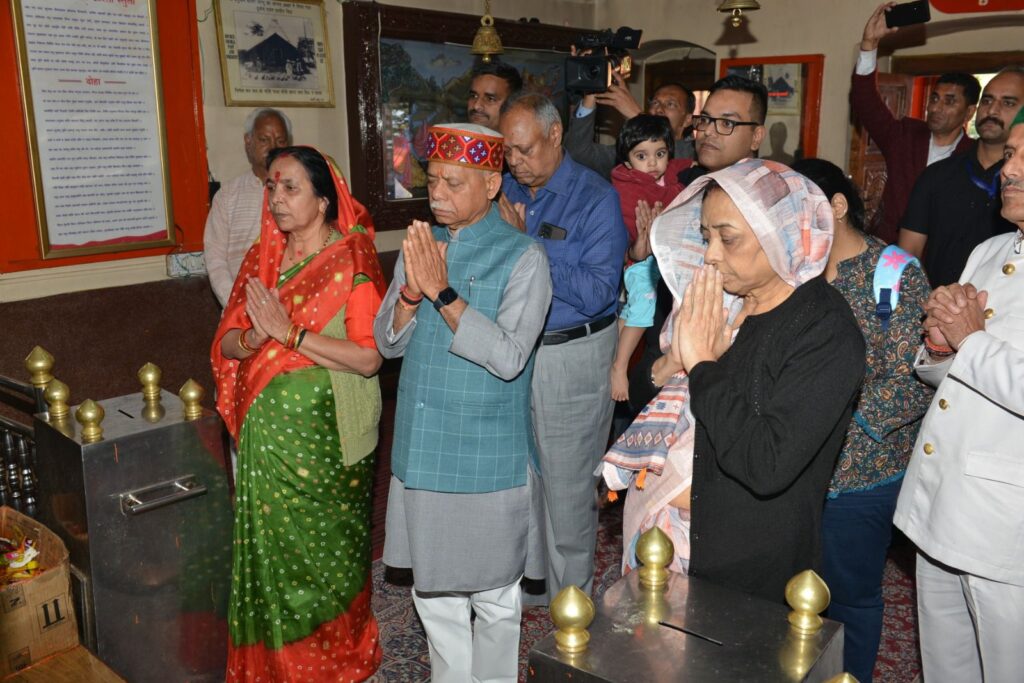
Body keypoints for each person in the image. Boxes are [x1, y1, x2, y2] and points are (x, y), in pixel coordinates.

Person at [374, 123, 551, 683]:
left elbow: (509, 357)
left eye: (454, 183)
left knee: (495, 599)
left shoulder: (524, 257)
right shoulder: (422, 245)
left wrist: (443, 294)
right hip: (424, 449)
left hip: (487, 456)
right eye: (432, 181)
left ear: (492, 185)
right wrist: (410, 291)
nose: (438, 194)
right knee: (435, 597)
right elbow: (386, 344)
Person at [653, 158, 866, 602]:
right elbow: (647, 395)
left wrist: (702, 364)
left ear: (779, 233)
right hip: (670, 543)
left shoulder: (825, 331)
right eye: (706, 237)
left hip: (749, 565)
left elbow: (767, 463)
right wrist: (672, 361)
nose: (711, 255)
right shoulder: (722, 298)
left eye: (727, 238)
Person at [211, 146, 384, 681]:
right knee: (274, 555)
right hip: (266, 446)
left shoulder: (351, 259)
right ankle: (277, 664)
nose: (277, 198)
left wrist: (289, 334)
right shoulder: (259, 259)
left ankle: (335, 659)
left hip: (330, 445)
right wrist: (253, 338)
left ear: (324, 199)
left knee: (327, 556)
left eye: (291, 188)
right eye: (272, 187)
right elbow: (227, 343)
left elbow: (368, 357)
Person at [892, 108, 1024, 683]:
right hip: (943, 497)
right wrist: (941, 349)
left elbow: (981, 350)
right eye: (1010, 155)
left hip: (1006, 523)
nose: (1008, 170)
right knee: (946, 666)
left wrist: (969, 339)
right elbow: (957, 372)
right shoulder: (990, 251)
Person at [794, 158, 933, 682]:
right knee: (790, 589)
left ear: (836, 206)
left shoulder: (894, 272)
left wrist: (831, 431)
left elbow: (913, 380)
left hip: (862, 470)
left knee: (849, 595)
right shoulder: (794, 269)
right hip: (792, 466)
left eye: (802, 210)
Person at [498, 93, 628, 602]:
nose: (515, 161)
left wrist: (528, 245)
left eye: (525, 149)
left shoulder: (595, 198)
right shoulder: (505, 190)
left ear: (555, 135)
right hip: (515, 348)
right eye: (508, 151)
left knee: (569, 485)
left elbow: (598, 292)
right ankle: (536, 581)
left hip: (571, 353)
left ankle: (572, 604)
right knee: (524, 475)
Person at [854, 3, 978, 244]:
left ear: (969, 112)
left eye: (949, 101)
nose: (936, 107)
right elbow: (865, 103)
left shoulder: (975, 156)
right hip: (888, 250)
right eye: (934, 98)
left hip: (940, 258)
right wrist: (869, 44)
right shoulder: (905, 136)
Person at [898, 66, 1024, 287]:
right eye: (987, 100)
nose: (992, 110)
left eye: (1008, 103)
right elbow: (908, 253)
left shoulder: (1016, 187)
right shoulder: (937, 175)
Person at [609, 114, 689, 402]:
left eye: (660, 154)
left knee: (632, 312)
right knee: (642, 311)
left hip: (658, 261)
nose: (652, 162)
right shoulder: (628, 187)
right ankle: (619, 367)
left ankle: (611, 355)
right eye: (642, 156)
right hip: (640, 262)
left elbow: (680, 169)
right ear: (628, 161)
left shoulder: (667, 177)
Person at [204, 108, 292, 307]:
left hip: (292, 307)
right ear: (248, 141)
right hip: (239, 306)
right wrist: (235, 305)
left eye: (280, 141)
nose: (273, 147)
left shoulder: (301, 191)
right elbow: (215, 259)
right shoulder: (227, 196)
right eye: (264, 140)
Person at [565, 74, 696, 179]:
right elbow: (578, 153)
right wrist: (590, 95)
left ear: (687, 120)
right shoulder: (631, 151)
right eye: (655, 103)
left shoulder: (695, 153)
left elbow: (677, 164)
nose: (659, 109)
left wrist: (637, 117)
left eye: (670, 104)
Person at [466, 60, 523, 130]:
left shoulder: (523, 137)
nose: (476, 106)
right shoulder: (455, 135)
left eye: (490, 99)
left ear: (513, 105)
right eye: (474, 96)